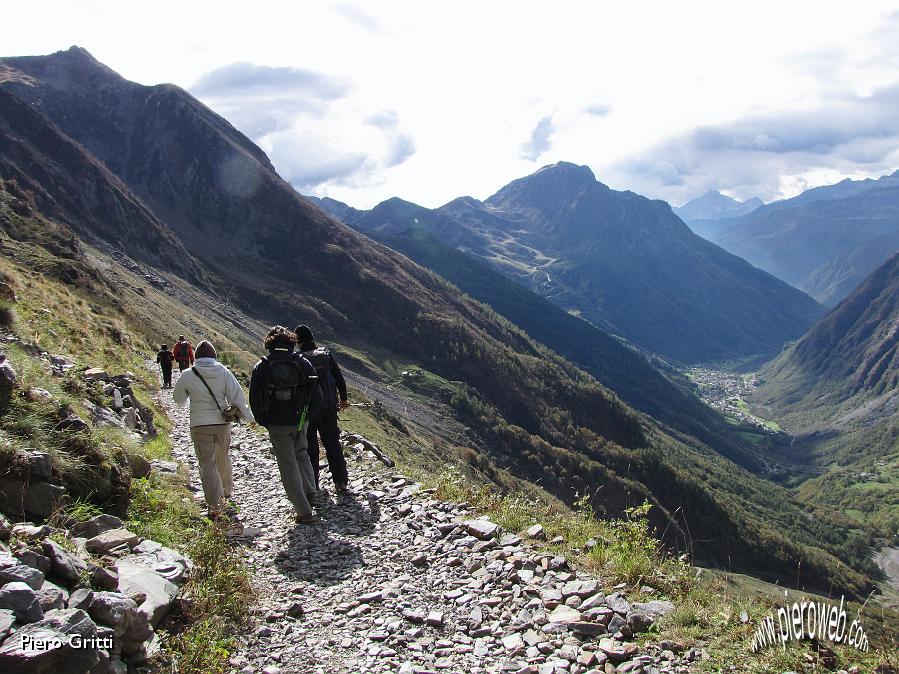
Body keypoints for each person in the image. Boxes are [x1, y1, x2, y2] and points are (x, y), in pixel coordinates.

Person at [249, 326, 323, 524]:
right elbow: (317, 393)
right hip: (299, 420)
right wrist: (308, 417)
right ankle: (310, 492)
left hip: (276, 422)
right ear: (291, 342)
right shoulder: (302, 362)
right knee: (301, 453)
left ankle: (304, 512)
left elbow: (254, 397)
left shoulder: (262, 366)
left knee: (287, 464)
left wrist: (264, 421)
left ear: (269, 344)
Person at [173, 339, 253, 517]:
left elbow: (178, 399)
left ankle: (215, 505)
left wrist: (190, 400)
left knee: (207, 463)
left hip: (199, 424)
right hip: (221, 424)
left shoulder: (187, 374)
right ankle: (226, 490)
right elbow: (237, 396)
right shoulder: (223, 372)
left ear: (198, 356)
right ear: (214, 355)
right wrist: (249, 418)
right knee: (222, 456)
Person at [295, 324, 350, 492]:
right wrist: (343, 399)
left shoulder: (298, 359)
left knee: (310, 446)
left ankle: (314, 484)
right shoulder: (325, 355)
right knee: (332, 443)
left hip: (308, 410)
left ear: (298, 341)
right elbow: (339, 378)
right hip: (328, 407)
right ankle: (340, 482)